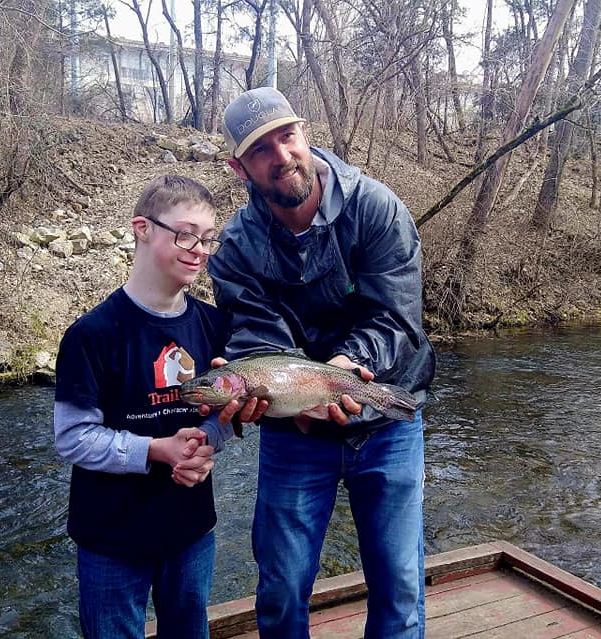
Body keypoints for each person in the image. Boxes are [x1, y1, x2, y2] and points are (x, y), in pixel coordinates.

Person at [207, 87, 436, 639]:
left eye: (287, 137)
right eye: (261, 149)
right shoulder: (236, 249)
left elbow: (396, 320)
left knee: (400, 584)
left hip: (385, 420)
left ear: (304, 133)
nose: (281, 155)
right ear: (240, 167)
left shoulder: (376, 208)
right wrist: (272, 399)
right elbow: (257, 339)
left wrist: (345, 368)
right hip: (295, 430)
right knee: (282, 587)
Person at [53, 175, 241, 639]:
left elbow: (226, 413)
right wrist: (159, 450)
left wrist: (205, 444)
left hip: (192, 531)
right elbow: (72, 437)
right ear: (142, 228)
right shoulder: (91, 334)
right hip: (111, 539)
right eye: (185, 234)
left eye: (208, 238)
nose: (199, 249)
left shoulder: (215, 325)